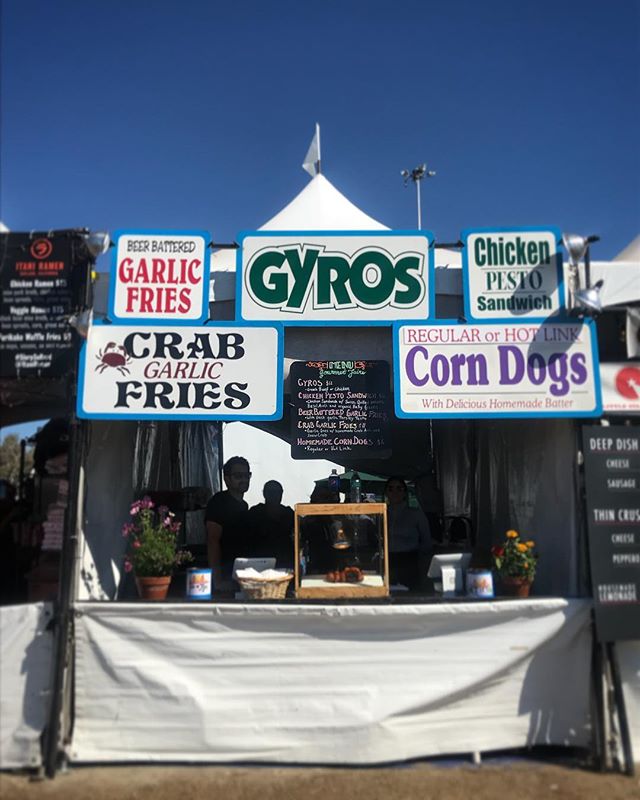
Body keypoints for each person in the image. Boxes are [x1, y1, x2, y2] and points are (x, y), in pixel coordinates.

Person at [205, 456, 253, 587]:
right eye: (238, 476)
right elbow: (212, 540)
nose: (244, 479)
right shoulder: (218, 503)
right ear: (227, 479)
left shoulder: (244, 505)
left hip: (240, 573)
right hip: (225, 574)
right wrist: (217, 580)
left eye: (247, 475)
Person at [384, 476, 432, 591]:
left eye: (399, 488)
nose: (395, 492)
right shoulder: (381, 514)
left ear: (405, 492)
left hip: (409, 562)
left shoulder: (416, 514)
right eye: (391, 488)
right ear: (386, 492)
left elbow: (426, 541)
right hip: (386, 561)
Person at [248, 480, 294, 568]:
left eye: (278, 492)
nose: (275, 495)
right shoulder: (254, 513)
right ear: (264, 494)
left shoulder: (288, 513)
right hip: (260, 563)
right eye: (271, 492)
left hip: (285, 563)